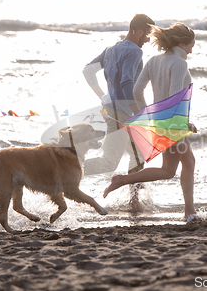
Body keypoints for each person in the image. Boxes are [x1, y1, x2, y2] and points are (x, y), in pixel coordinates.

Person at [103, 23, 198, 221]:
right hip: (172, 124)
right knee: (168, 171)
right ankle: (122, 179)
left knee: (185, 163)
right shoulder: (179, 63)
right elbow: (173, 97)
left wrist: (148, 117)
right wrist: (182, 124)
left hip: (164, 122)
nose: (192, 49)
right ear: (181, 44)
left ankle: (190, 211)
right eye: (191, 45)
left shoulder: (154, 61)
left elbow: (137, 91)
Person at [82, 14, 154, 177]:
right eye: (148, 35)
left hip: (110, 110)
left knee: (139, 154)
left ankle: (134, 200)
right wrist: (137, 113)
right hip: (122, 114)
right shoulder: (135, 51)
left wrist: (103, 96)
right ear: (140, 32)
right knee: (109, 162)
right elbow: (126, 82)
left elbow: (88, 70)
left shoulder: (111, 49)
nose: (148, 40)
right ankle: (66, 168)